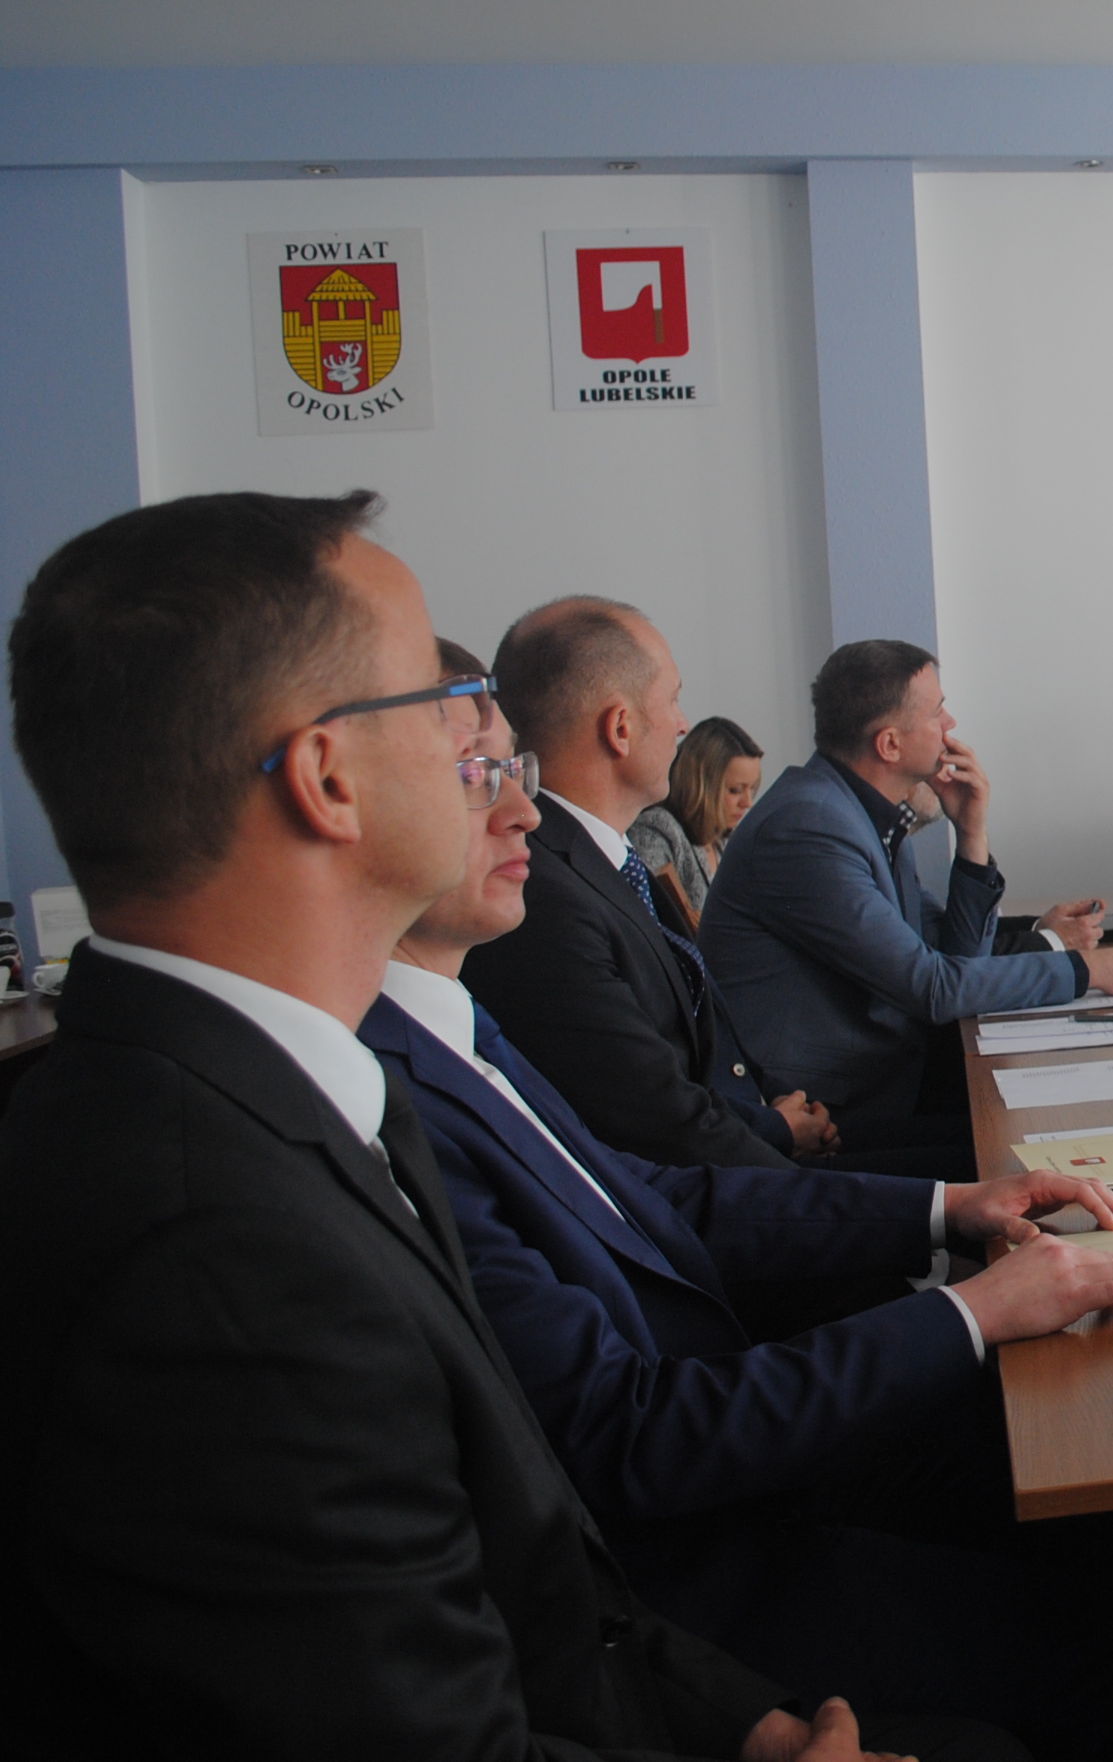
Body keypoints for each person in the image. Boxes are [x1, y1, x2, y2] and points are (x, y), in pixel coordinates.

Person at [0, 488, 955, 1761]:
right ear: (327, 777)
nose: (512, 785)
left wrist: (750, 1726)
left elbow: (533, 1563)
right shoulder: (206, 1242)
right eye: (453, 726)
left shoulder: (290, 1087)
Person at [362, 667, 1113, 1756]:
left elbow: (653, 1191)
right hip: (699, 1547)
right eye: (477, 773)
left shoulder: (457, 1024)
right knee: (1112, 1622)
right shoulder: (395, 1082)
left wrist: (950, 1209)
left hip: (735, 1438)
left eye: (515, 772)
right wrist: (969, 1311)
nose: (521, 811)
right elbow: (624, 1432)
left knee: (1086, 1489)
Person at [704, 640, 1113, 1131]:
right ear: (890, 745)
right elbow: (933, 987)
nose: (950, 724)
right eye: (937, 712)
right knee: (1052, 1130)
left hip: (889, 1075)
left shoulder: (861, 814)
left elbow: (956, 956)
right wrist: (1087, 970)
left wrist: (971, 834)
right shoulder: (808, 828)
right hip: (830, 1115)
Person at [462, 600, 840, 1173]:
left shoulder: (608, 855)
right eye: (673, 699)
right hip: (726, 1188)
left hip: (752, 1143)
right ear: (621, 728)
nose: (683, 724)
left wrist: (773, 1119)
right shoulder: (543, 894)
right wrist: (791, 1152)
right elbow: (660, 1121)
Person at [633, 714, 766, 926]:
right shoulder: (656, 829)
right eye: (735, 790)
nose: (748, 803)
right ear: (700, 784)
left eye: (752, 789)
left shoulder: (724, 842)